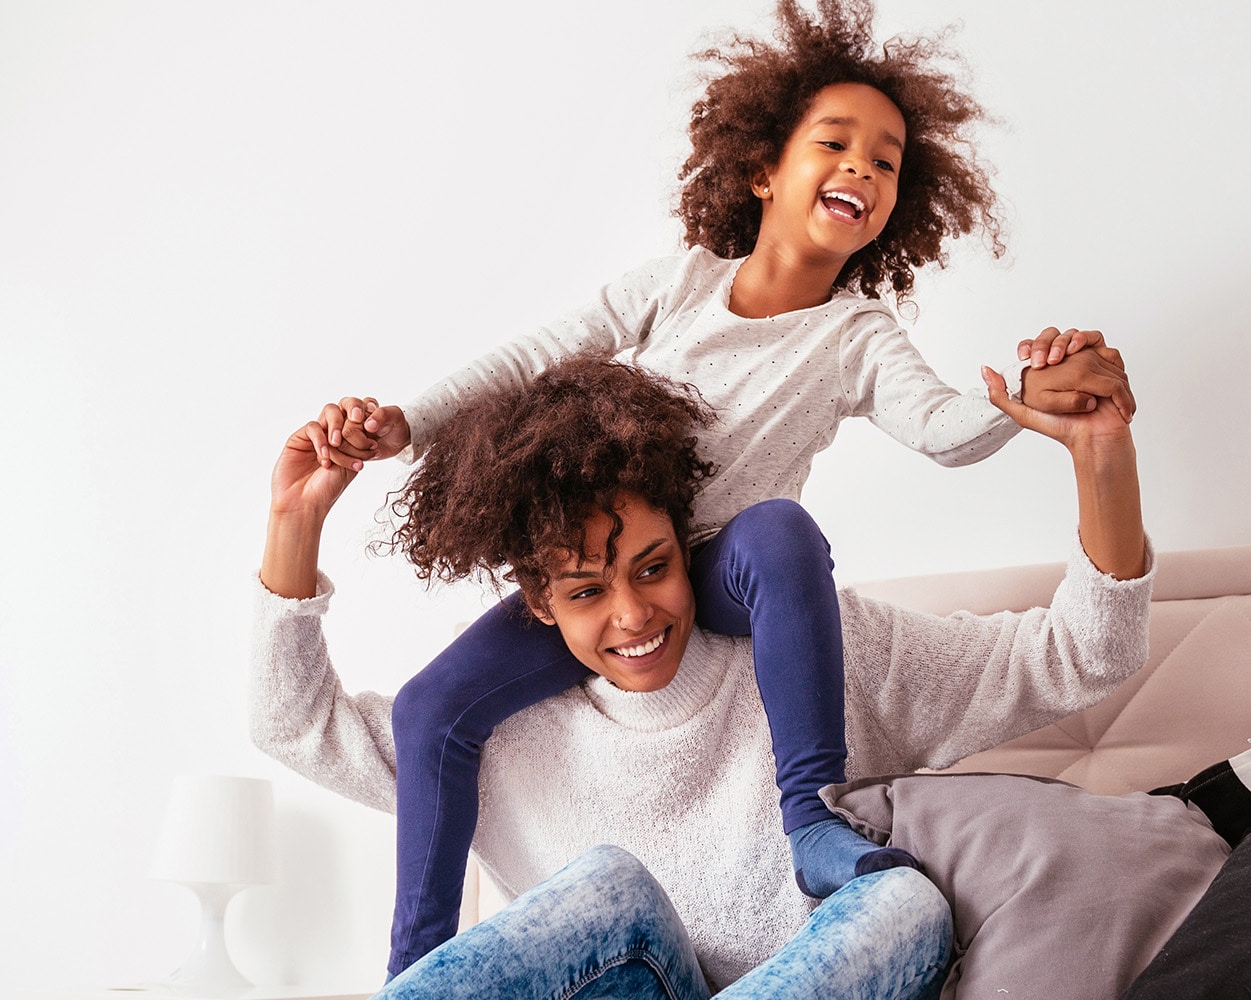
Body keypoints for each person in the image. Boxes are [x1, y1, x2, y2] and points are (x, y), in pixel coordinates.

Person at [292, 0, 1132, 974]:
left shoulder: (857, 336)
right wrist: (408, 423)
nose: (863, 167)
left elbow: (944, 429)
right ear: (763, 169)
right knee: (430, 707)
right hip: (624, 566)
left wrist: (1020, 402)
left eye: (888, 161)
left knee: (781, 532)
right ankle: (417, 965)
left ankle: (809, 816)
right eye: (837, 143)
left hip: (726, 575)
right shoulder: (680, 283)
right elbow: (538, 353)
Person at [251, 351, 1147, 993]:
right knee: (607, 884)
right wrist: (295, 524)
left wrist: (1101, 458)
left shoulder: (815, 651)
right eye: (587, 591)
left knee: (904, 904)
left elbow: (1079, 654)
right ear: (535, 603)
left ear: (691, 544)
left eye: (652, 567)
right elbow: (293, 726)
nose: (634, 617)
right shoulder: (489, 730)